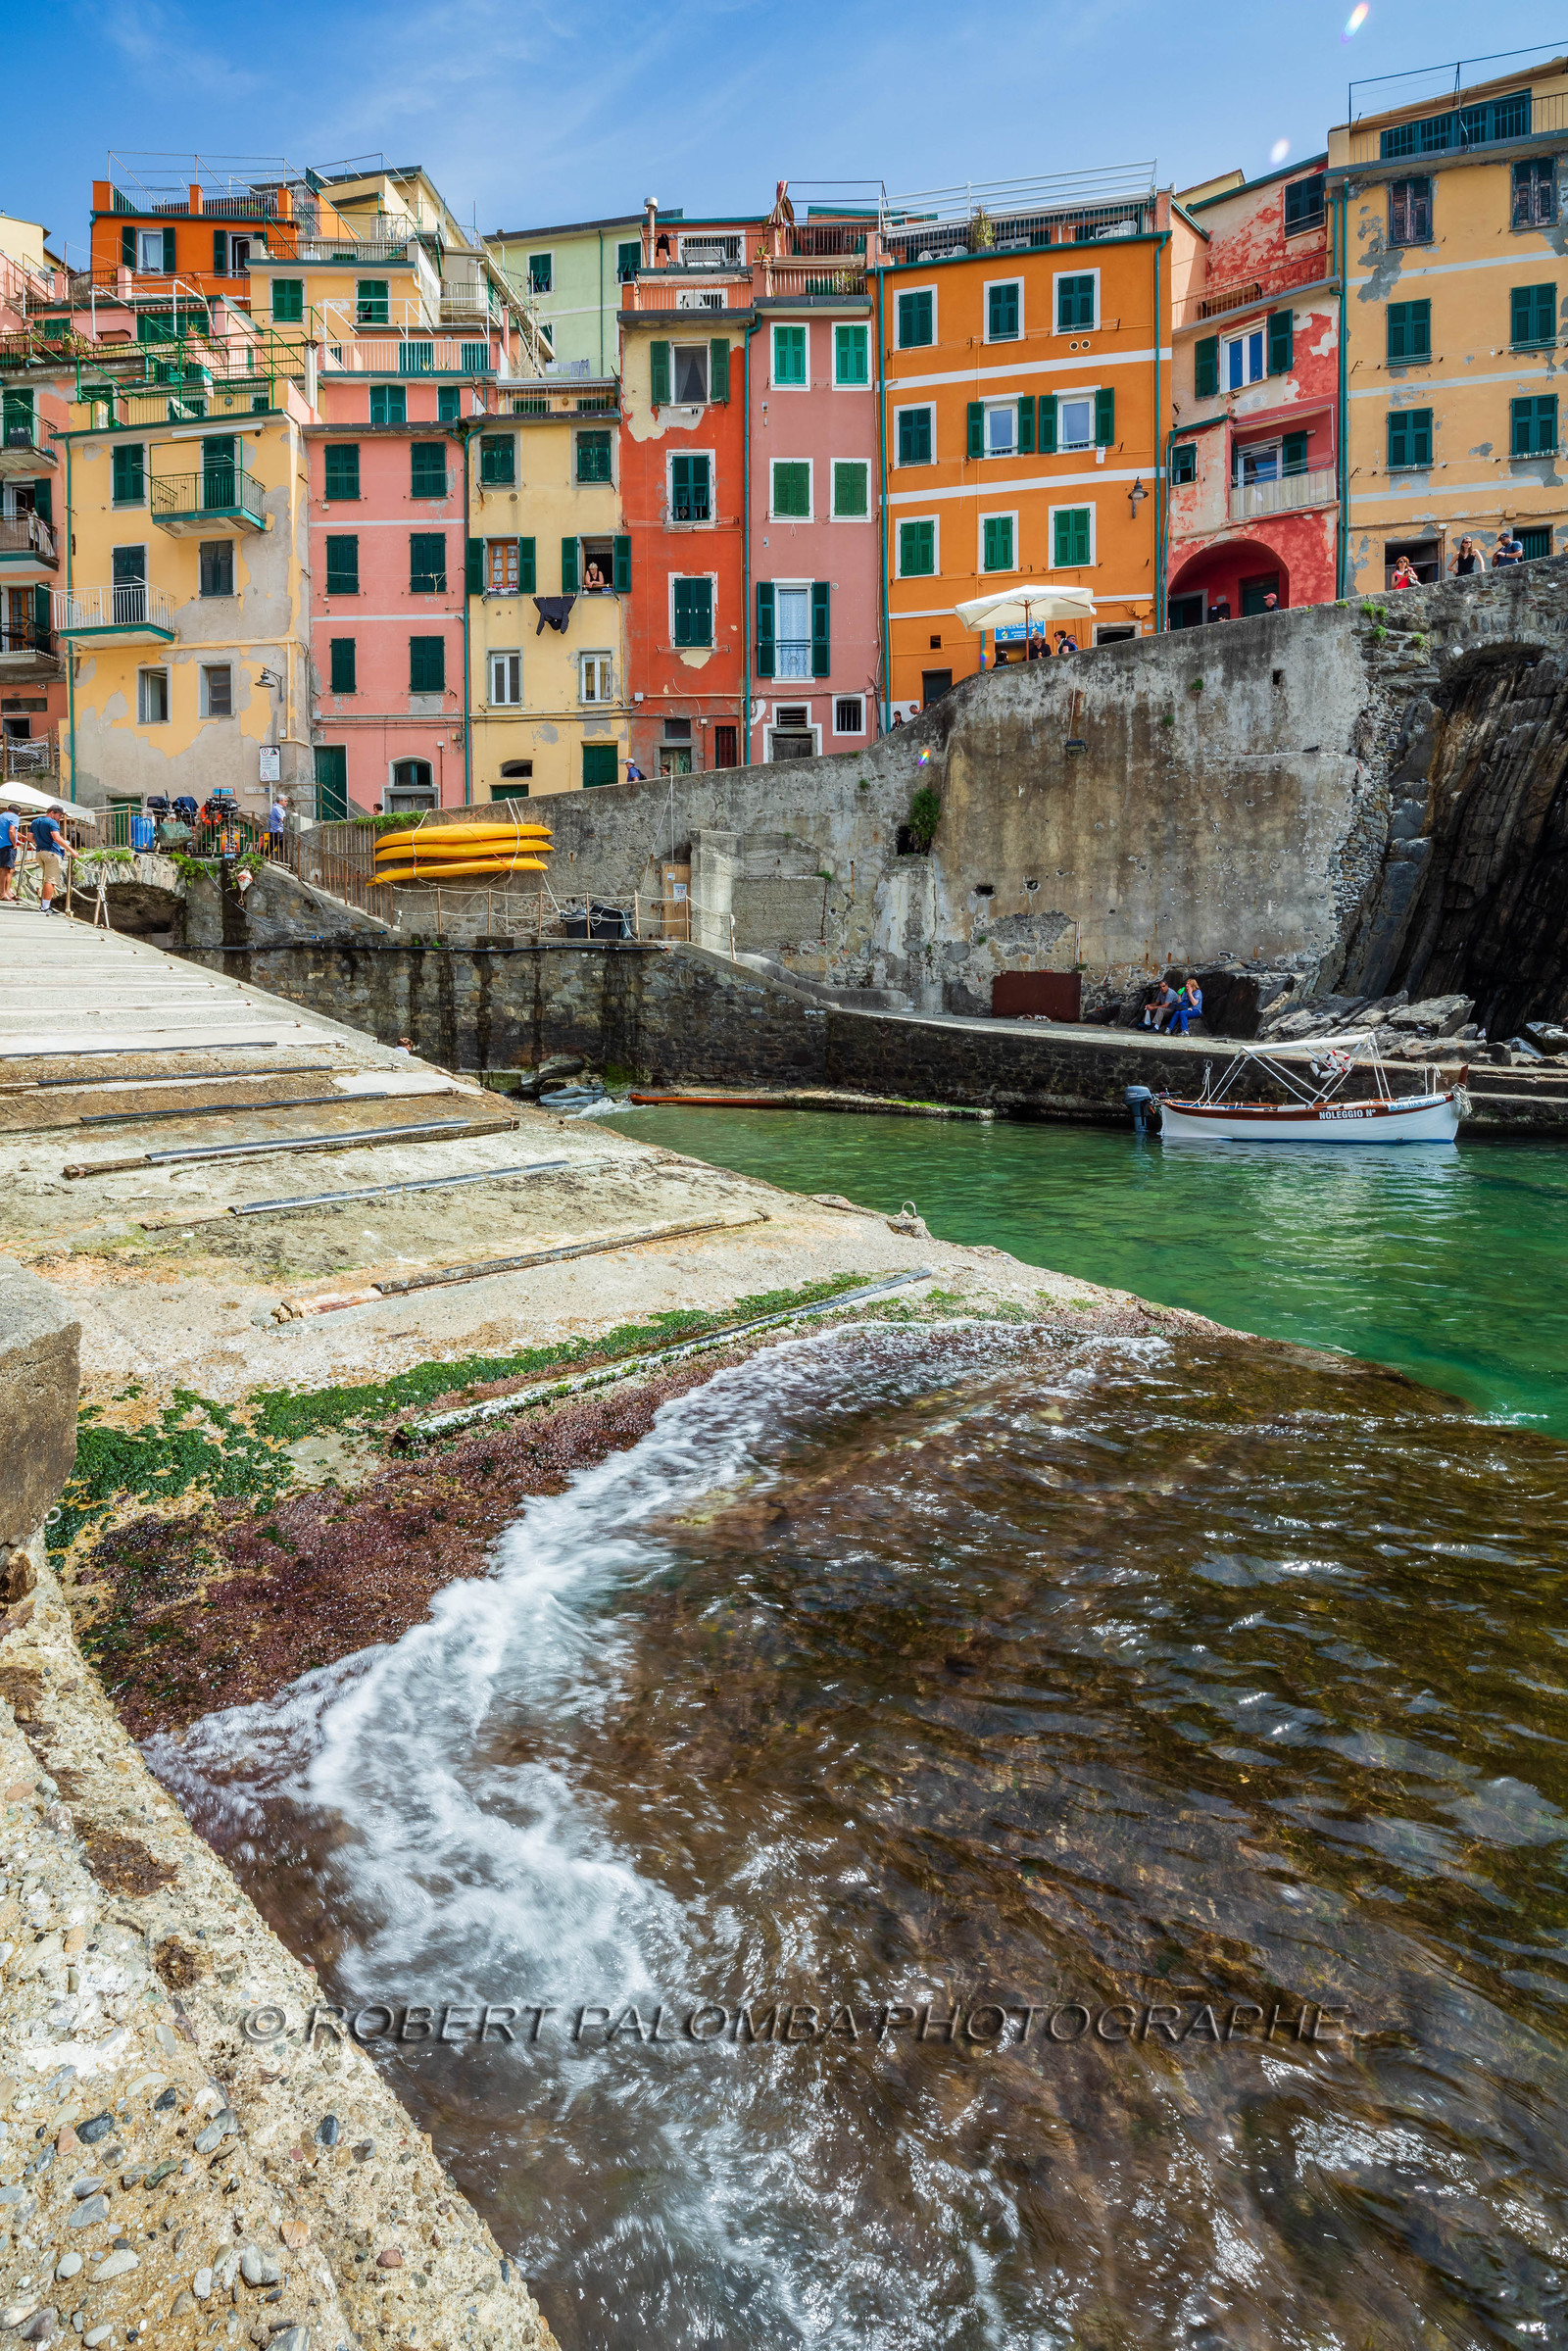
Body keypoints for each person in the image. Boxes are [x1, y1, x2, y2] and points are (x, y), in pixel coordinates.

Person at [31, 803, 74, 915]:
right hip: (52, 853)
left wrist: (41, 843)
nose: (60, 818)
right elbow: (56, 837)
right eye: (59, 815)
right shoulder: (52, 823)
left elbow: (30, 838)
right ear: (52, 813)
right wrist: (72, 850)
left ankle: (44, 905)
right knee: (51, 880)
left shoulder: (35, 821)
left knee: (47, 879)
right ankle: (45, 907)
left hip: (40, 853)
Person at [0, 807, 17, 902]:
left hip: (2, 845)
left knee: (10, 869)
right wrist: (14, 844)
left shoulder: (1, 816)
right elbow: (11, 831)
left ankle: (7, 892)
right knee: (5, 870)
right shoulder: (14, 817)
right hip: (7, 846)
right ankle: (3, 893)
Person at [268, 793, 288, 857]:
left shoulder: (280, 808)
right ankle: (264, 857)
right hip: (276, 831)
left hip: (279, 831)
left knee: (283, 847)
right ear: (280, 801)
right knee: (271, 845)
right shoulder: (277, 808)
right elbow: (282, 819)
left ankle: (287, 860)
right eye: (285, 801)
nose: (286, 802)